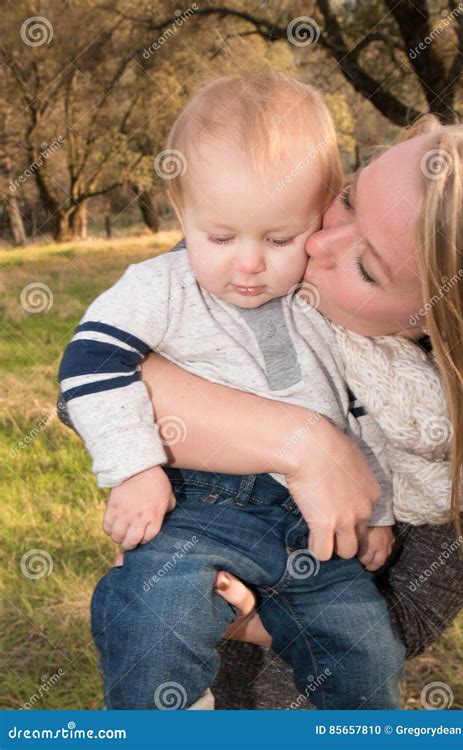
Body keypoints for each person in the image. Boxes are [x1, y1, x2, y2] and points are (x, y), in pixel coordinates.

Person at [58, 73, 408, 710]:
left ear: (321, 216)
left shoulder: (322, 299)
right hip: (196, 504)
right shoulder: (158, 286)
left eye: (279, 239)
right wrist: (133, 467)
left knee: (367, 651)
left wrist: (376, 508)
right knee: (156, 612)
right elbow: (89, 366)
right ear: (181, 211)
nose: (249, 264)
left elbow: (361, 409)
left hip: (316, 525)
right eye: (220, 237)